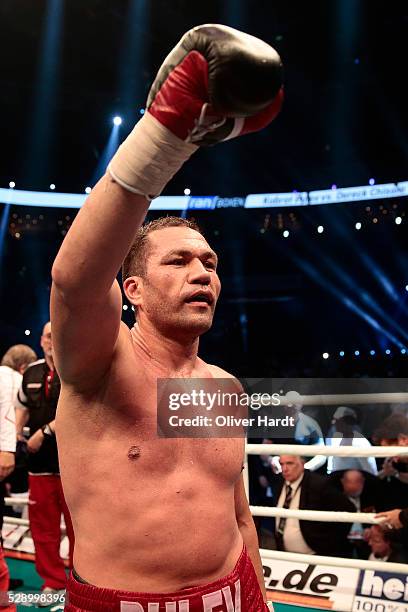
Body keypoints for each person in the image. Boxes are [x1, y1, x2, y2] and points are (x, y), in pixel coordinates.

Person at [51, 24, 283, 612]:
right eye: (178, 261)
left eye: (209, 262)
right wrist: (165, 138)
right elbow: (75, 283)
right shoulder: (100, 363)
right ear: (132, 288)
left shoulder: (223, 388)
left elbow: (239, 518)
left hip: (235, 594)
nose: (202, 272)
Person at [15, 323, 75, 603]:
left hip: (75, 468)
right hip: (39, 467)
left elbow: (78, 410)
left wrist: (44, 432)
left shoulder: (77, 368)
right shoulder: (31, 372)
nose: (52, 340)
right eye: (48, 335)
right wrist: (16, 432)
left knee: (81, 530)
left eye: (56, 334)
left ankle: (80, 582)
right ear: (41, 340)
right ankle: (52, 581)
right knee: (43, 530)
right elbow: (22, 405)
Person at [0, 344, 37, 612]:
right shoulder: (11, 379)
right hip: (12, 451)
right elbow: (9, 415)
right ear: (24, 366)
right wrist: (8, 449)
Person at [273, 455, 356, 557]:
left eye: (290, 463)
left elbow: (348, 509)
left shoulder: (319, 484)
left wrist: (329, 544)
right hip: (284, 554)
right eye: (282, 464)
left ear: (302, 464)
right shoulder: (279, 482)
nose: (285, 469)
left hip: (315, 555)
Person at [326, 406, 378, 476]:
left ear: (348, 423)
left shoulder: (361, 443)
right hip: (335, 483)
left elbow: (370, 473)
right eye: (334, 421)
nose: (334, 424)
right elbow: (331, 464)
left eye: (338, 421)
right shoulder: (336, 438)